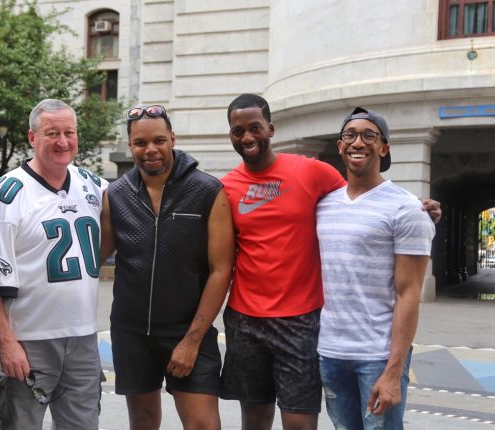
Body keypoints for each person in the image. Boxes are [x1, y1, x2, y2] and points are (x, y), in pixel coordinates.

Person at [218, 94, 440, 430]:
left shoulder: (313, 172)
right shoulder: (229, 188)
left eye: (255, 128)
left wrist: (419, 213)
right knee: (259, 419)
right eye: (238, 131)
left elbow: (369, 199)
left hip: (317, 328)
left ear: (271, 129)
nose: (247, 137)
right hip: (277, 331)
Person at [100, 105, 235, 430]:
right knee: (143, 422)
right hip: (132, 333)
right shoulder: (115, 194)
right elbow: (96, 257)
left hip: (188, 330)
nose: (150, 150)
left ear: (172, 139)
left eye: (159, 140)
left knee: (203, 424)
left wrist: (191, 341)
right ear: (130, 145)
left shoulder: (206, 191)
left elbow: (221, 270)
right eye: (140, 142)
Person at [0, 99, 107, 430]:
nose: (63, 141)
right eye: (52, 132)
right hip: (27, 340)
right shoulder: (7, 195)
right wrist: (7, 343)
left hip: (82, 338)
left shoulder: (93, 185)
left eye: (69, 132)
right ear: (32, 137)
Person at [315, 107, 435, 429]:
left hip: (377, 356)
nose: (359, 142)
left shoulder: (406, 208)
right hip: (330, 351)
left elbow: (409, 292)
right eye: (350, 135)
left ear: (384, 148)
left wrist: (394, 371)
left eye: (370, 135)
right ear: (340, 146)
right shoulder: (324, 204)